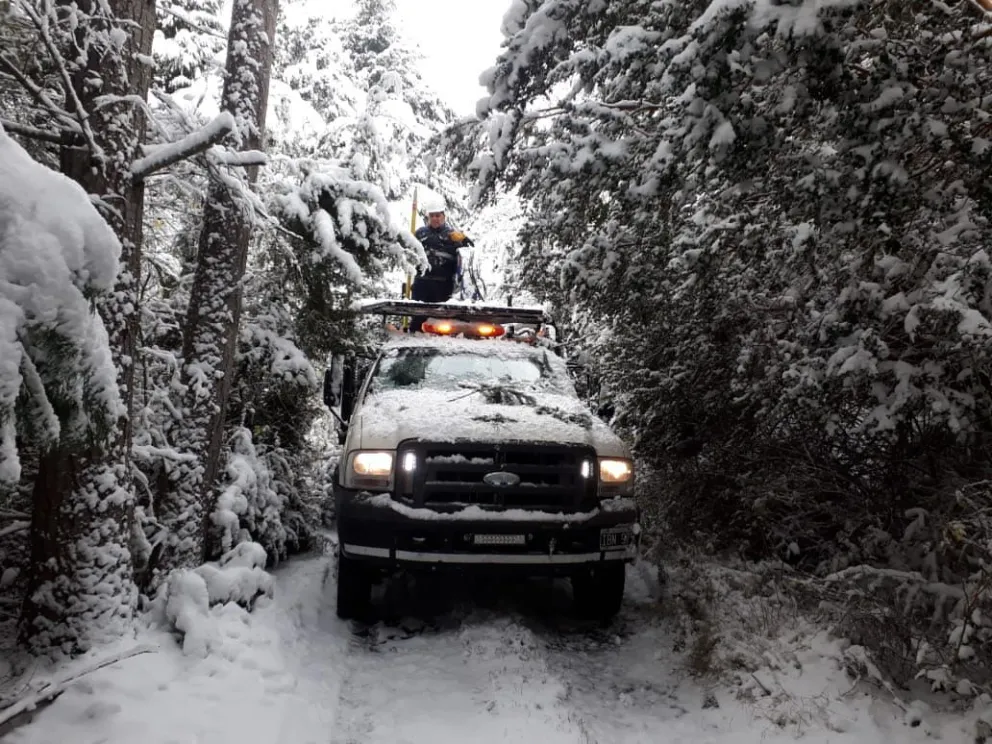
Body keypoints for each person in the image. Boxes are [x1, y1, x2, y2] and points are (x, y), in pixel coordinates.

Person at [409, 200, 473, 332]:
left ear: (444, 216)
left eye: (438, 215)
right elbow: (409, 252)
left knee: (441, 324)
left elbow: (468, 253)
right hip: (422, 283)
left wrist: (463, 239)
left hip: (443, 285)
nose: (435, 219)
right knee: (417, 320)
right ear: (428, 217)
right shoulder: (420, 233)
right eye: (432, 216)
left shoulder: (452, 235)